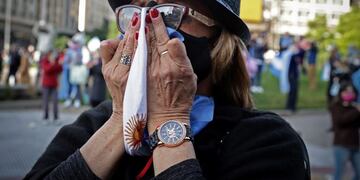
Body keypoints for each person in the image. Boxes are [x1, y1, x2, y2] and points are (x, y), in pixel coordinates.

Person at [25, 0, 310, 179]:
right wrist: (121, 118)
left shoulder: (268, 141)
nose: (148, 28)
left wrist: (170, 119)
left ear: (219, 37)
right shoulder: (95, 123)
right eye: (135, 15)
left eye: (169, 13)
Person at [329, 83, 360, 180]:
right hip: (341, 145)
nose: (349, 94)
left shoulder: (354, 107)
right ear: (341, 93)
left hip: (355, 144)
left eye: (351, 92)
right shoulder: (336, 106)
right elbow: (341, 120)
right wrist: (356, 111)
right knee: (339, 172)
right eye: (346, 91)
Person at [40, 51, 62, 123]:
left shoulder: (56, 61)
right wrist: (53, 64)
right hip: (46, 84)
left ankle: (56, 118)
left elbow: (59, 69)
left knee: (55, 102)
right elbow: (47, 69)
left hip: (54, 84)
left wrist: (57, 64)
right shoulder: (45, 61)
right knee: (46, 102)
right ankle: (46, 117)